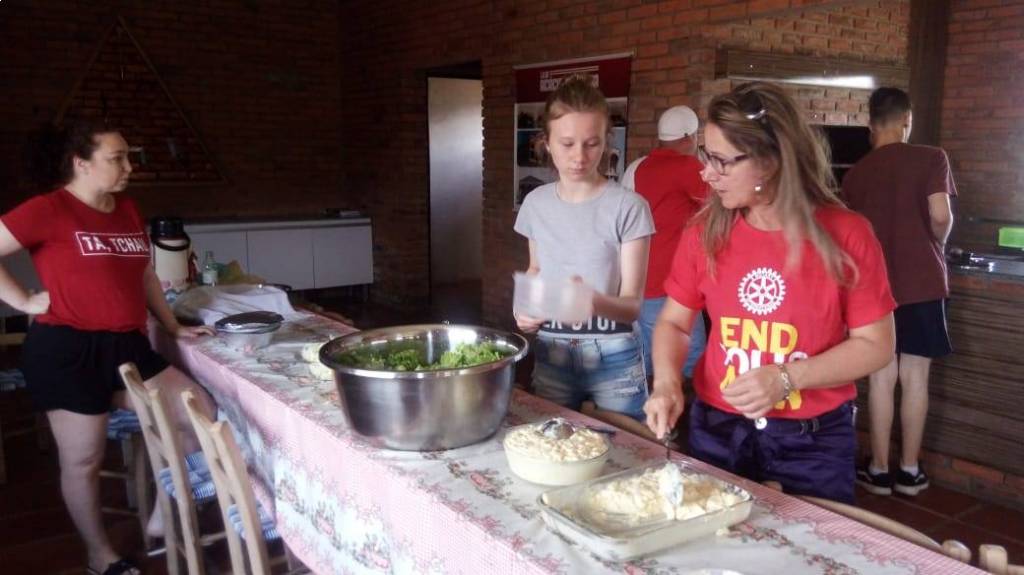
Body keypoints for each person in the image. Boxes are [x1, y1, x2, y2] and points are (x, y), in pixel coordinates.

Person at [643, 82, 896, 503]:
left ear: (771, 161)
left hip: (812, 441)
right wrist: (667, 382)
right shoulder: (704, 232)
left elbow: (876, 345)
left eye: (723, 161)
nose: (707, 173)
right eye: (707, 155)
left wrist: (787, 378)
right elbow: (673, 322)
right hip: (718, 428)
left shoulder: (847, 234)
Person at [0, 119, 218, 575]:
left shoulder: (127, 209)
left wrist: (172, 325)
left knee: (197, 410)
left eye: (128, 157)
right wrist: (23, 300)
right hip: (67, 351)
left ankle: (164, 513)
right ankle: (100, 556)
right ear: (81, 163)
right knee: (84, 459)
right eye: (117, 158)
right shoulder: (49, 208)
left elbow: (144, 274)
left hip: (128, 345)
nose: (128, 167)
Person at [514, 75, 654, 422]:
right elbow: (536, 269)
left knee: (626, 447)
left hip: (614, 351)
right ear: (546, 143)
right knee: (551, 442)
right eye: (567, 144)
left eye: (592, 144)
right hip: (552, 348)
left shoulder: (629, 206)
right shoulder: (535, 203)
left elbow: (632, 305)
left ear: (606, 142)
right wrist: (524, 308)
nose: (579, 156)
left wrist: (592, 302)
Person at [842, 87, 956, 497]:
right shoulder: (932, 158)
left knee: (880, 377)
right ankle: (909, 471)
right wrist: (935, 244)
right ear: (907, 120)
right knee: (916, 378)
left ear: (870, 124)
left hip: (873, 287)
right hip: (923, 282)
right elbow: (940, 215)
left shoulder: (856, 174)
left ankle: (877, 470)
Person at [620, 105, 709, 384]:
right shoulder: (689, 167)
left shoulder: (636, 168)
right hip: (674, 284)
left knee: (646, 357)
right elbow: (723, 207)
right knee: (692, 358)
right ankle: (687, 408)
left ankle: (649, 409)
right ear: (689, 137)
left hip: (637, 281)